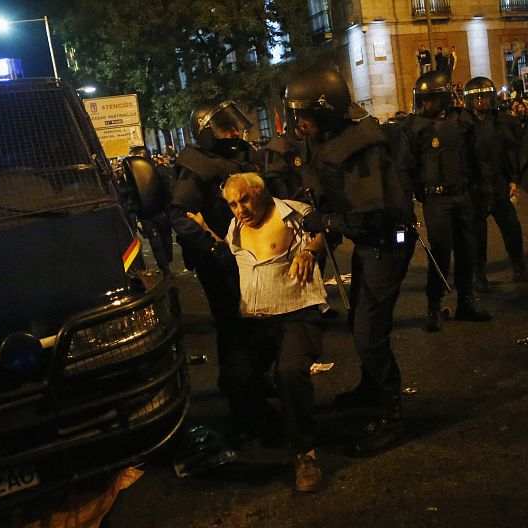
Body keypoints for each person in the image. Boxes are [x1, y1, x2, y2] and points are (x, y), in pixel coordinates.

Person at [284, 68, 417, 456]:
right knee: (360, 314)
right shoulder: (332, 139)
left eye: (303, 114)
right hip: (369, 245)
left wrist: (321, 222)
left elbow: (368, 215)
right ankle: (371, 388)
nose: (298, 123)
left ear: (325, 110)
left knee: (368, 333)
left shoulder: (360, 147)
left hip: (385, 244)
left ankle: (392, 415)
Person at [187, 172, 328, 492]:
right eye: (233, 204)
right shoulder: (236, 226)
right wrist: (205, 231)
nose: (240, 209)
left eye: (245, 200)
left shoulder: (293, 213)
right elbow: (231, 256)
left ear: (262, 193)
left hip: (296, 313)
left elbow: (324, 230)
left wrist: (310, 251)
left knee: (290, 371)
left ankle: (305, 453)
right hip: (255, 319)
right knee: (233, 377)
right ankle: (272, 422)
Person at [168, 98, 260, 433]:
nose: (233, 132)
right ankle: (242, 406)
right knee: (234, 330)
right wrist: (212, 246)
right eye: (224, 127)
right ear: (206, 132)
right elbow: (179, 215)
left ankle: (254, 386)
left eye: (234, 124)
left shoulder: (240, 158)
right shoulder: (197, 166)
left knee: (258, 326)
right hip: (220, 264)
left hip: (251, 257)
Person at [398, 70, 493, 331]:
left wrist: (484, 191)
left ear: (443, 98)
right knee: (440, 250)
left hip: (462, 194)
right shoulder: (413, 127)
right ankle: (434, 305)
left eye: (430, 99)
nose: (425, 105)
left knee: (467, 249)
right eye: (423, 99)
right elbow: (405, 168)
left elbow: (476, 159)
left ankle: (466, 300)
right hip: (435, 198)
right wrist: (405, 204)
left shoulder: (462, 121)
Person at [463, 76, 527, 290]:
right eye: (477, 98)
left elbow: (512, 152)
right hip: (476, 189)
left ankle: (519, 266)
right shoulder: (462, 125)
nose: (481, 101)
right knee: (477, 235)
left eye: (484, 97)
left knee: (512, 228)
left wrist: (513, 179)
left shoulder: (502, 122)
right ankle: (478, 274)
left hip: (499, 185)